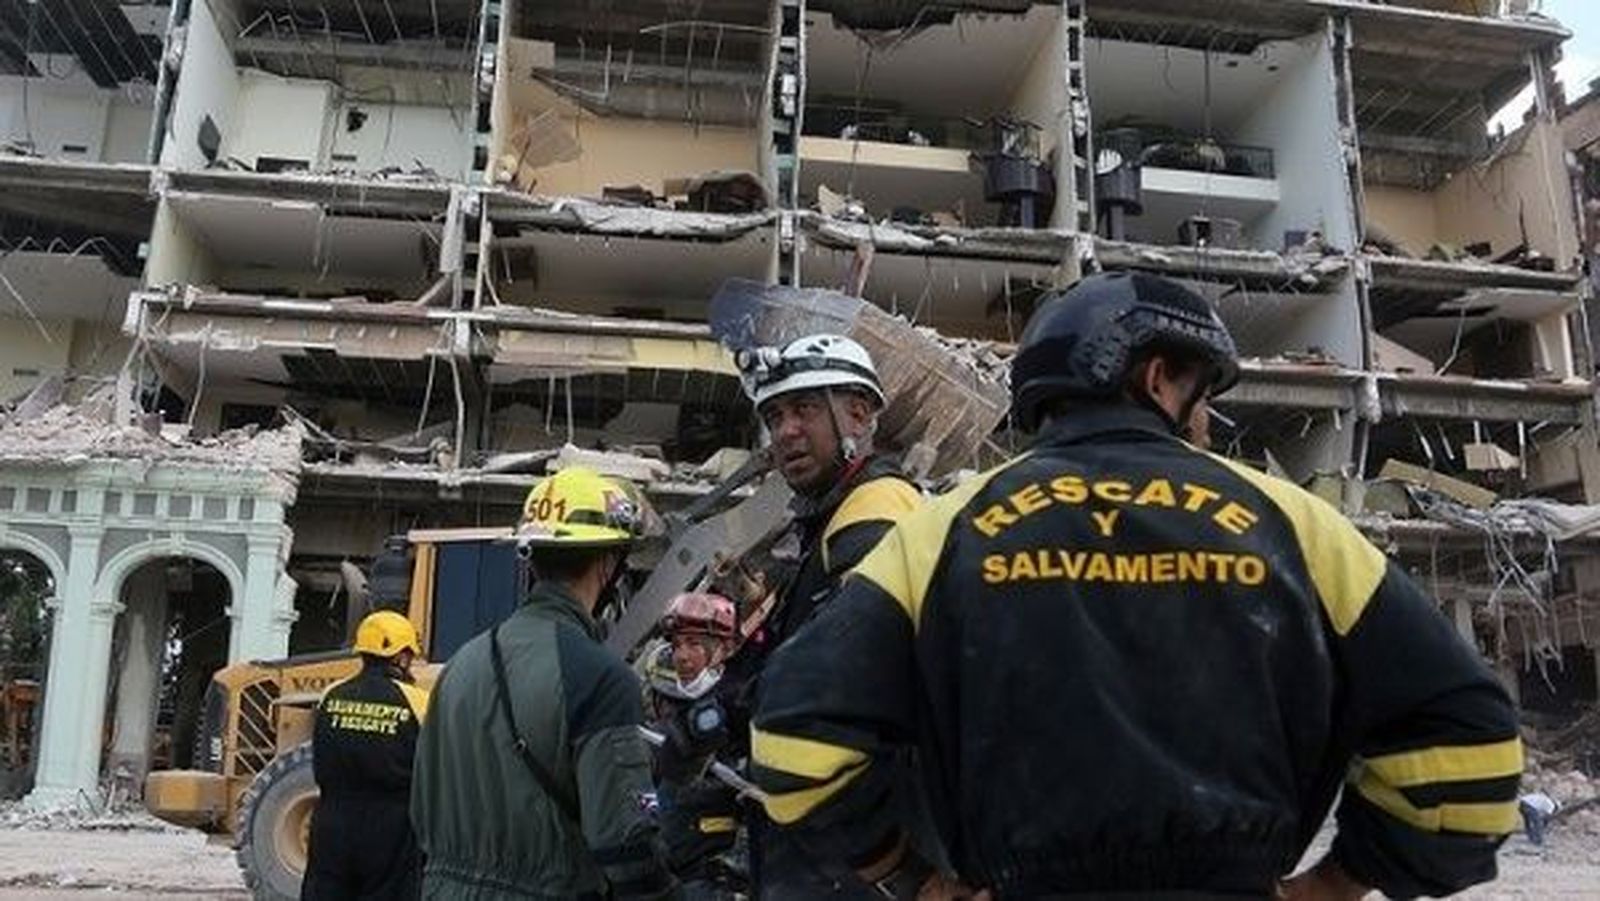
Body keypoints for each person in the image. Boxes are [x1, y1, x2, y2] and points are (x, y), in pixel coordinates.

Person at [751, 271, 1524, 899]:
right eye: (1205, 397)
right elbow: (1471, 766)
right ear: (1157, 377)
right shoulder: (1295, 524)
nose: (1208, 423)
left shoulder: (939, 531)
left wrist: (913, 877)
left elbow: (791, 744)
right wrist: (1337, 880)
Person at [410, 468, 678, 900]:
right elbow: (625, 842)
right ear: (609, 564)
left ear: (531, 558)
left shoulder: (459, 665)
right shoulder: (600, 677)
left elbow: (422, 810)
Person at [730, 334, 923, 899]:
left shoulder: (873, 517)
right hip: (831, 853)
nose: (785, 430)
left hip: (851, 861)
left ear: (859, 414)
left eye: (805, 409)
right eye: (774, 415)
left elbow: (842, 696)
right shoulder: (834, 520)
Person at [303, 610, 430, 901]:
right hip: (392, 828)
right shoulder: (418, 701)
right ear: (400, 657)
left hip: (331, 823)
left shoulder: (330, 696)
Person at [642, 593, 747, 897]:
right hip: (657, 868)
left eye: (694, 644)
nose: (682, 656)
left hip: (710, 874)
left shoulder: (741, 704)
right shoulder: (658, 700)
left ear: (724, 650)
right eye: (677, 645)